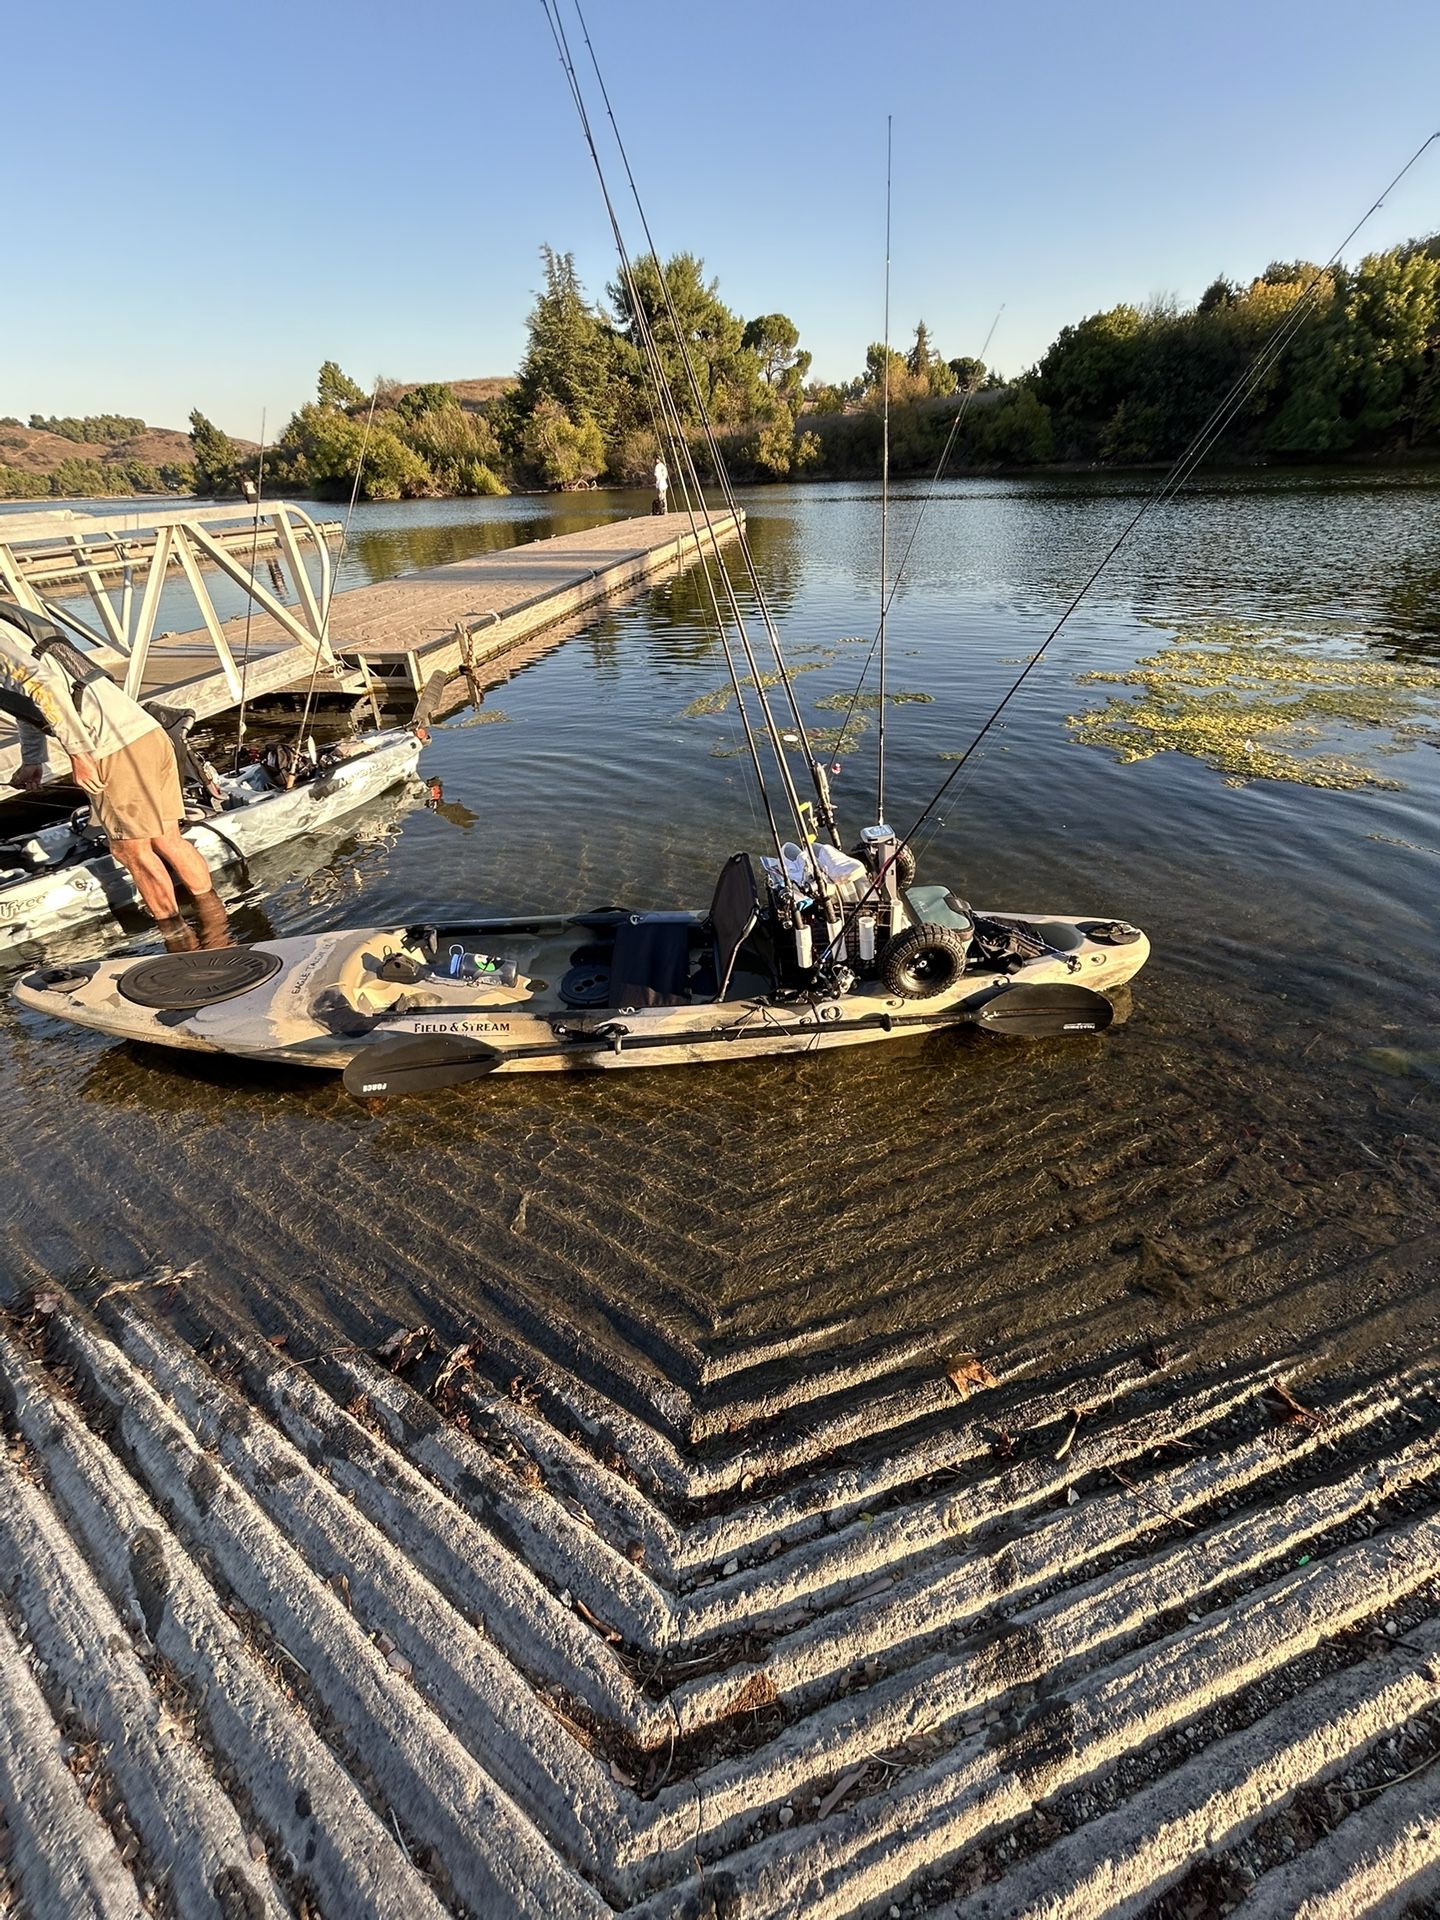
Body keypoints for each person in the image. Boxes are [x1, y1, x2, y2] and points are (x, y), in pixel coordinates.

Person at [0, 602, 225, 941]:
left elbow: (42, 683)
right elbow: (26, 699)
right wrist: (33, 760)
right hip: (146, 733)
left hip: (112, 749)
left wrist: (78, 753)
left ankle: (180, 945)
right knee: (168, 838)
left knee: (130, 851)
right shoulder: (9, 628)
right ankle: (218, 930)